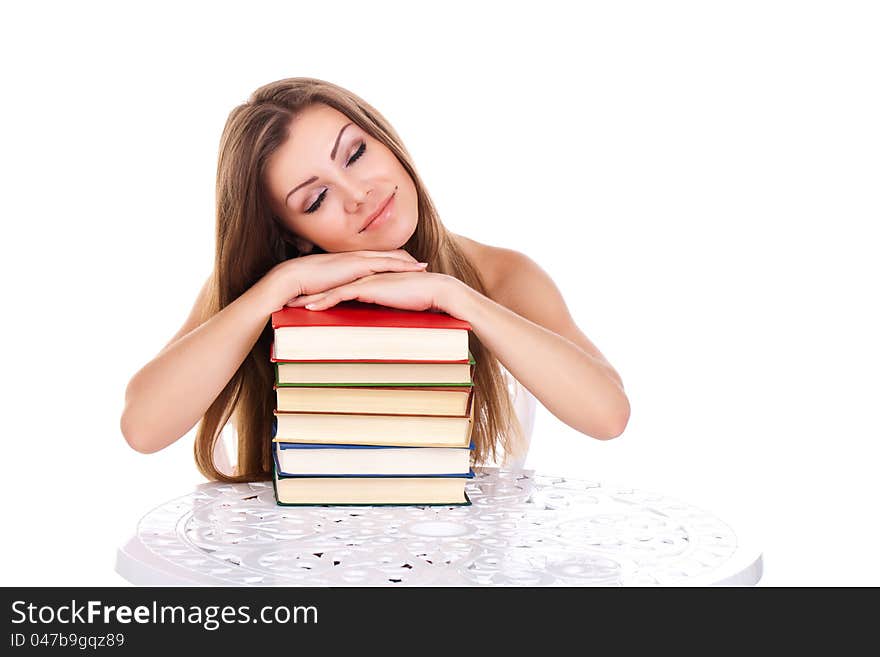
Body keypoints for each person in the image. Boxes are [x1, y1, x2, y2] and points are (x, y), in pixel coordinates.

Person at [120, 77, 630, 482]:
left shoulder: (501, 275)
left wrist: (455, 297)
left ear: (385, 140)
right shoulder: (258, 294)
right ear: (294, 234)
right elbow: (143, 429)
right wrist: (278, 287)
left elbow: (608, 416)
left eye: (356, 153)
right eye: (315, 200)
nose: (358, 194)